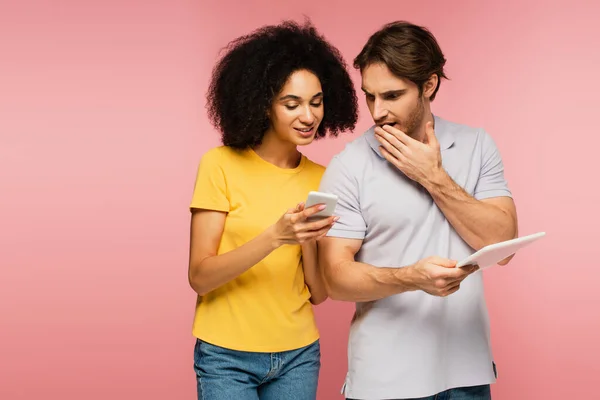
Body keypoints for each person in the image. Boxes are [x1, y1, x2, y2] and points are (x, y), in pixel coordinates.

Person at [317, 21, 518, 400]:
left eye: (392, 96)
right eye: (370, 96)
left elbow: (503, 244)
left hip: (466, 374)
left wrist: (433, 177)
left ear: (429, 85)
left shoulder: (476, 146)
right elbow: (335, 278)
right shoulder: (349, 165)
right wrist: (410, 277)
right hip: (385, 380)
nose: (377, 112)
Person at [187, 20, 358, 400]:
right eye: (291, 104)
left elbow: (317, 294)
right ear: (264, 105)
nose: (308, 116)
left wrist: (308, 240)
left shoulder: (322, 177)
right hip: (225, 356)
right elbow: (200, 276)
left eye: (316, 102)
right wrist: (276, 236)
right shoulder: (220, 165)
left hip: (298, 354)